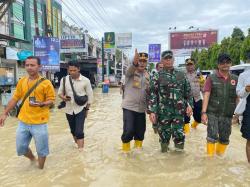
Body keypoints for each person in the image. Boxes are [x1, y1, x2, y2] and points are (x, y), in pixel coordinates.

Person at [0, 56, 55, 169]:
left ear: (39, 67)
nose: (29, 68)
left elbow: (51, 100)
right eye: (27, 65)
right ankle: (32, 159)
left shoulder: (46, 83)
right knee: (21, 148)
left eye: (32, 65)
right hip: (23, 121)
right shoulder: (22, 81)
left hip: (40, 122)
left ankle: (40, 171)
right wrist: (5, 113)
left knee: (42, 150)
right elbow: (15, 98)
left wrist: (42, 103)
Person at [148, 50, 193, 152]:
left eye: (170, 58)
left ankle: (178, 160)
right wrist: (152, 111)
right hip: (164, 113)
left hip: (179, 112)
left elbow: (188, 92)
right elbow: (152, 95)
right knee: (164, 137)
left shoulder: (181, 75)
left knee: (179, 136)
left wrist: (190, 105)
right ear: (162, 61)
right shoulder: (157, 76)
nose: (168, 61)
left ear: (173, 59)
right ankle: (164, 158)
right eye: (166, 59)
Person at [202, 53, 238, 157]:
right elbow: (206, 95)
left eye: (227, 62)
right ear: (218, 65)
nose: (225, 64)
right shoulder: (211, 78)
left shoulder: (235, 79)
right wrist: (204, 112)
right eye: (222, 62)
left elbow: (237, 98)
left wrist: (237, 114)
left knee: (225, 138)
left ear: (230, 63)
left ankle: (219, 158)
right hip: (213, 113)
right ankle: (210, 161)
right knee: (212, 136)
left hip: (227, 114)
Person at [58, 61, 93, 150]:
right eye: (70, 70)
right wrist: (64, 97)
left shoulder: (86, 81)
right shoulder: (64, 80)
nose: (72, 72)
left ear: (78, 69)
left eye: (74, 70)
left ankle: (80, 152)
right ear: (68, 70)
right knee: (73, 131)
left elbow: (90, 97)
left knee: (79, 131)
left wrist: (87, 110)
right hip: (68, 109)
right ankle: (77, 146)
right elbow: (59, 93)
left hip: (81, 109)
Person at [121, 49, 150, 152]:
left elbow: (149, 93)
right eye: (140, 61)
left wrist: (150, 109)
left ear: (146, 63)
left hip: (141, 109)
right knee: (128, 131)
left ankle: (138, 153)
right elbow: (129, 69)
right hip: (129, 107)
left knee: (140, 132)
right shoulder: (131, 72)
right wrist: (134, 62)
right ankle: (125, 153)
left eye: (144, 61)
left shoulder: (148, 75)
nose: (142, 63)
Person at [236, 53, 250, 163]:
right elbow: (240, 94)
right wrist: (246, 89)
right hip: (248, 110)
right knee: (249, 140)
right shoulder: (243, 76)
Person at [183, 58, 203, 134]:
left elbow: (203, 88)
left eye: (191, 65)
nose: (190, 66)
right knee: (186, 118)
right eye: (188, 65)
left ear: (194, 65)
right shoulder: (182, 75)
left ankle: (194, 126)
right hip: (186, 99)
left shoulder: (198, 75)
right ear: (186, 66)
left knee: (199, 118)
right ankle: (187, 134)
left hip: (197, 99)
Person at [151, 62, 163, 134]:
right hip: (156, 102)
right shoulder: (154, 77)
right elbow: (151, 91)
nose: (162, 69)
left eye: (163, 67)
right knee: (155, 119)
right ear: (157, 68)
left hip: (165, 102)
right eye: (160, 67)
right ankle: (155, 128)